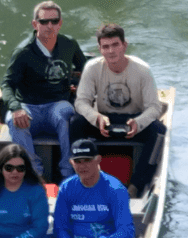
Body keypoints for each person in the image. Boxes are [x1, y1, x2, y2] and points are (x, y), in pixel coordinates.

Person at [70, 23, 166, 197]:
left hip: (133, 121)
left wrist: (139, 122)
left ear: (124, 45)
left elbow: (154, 107)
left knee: (159, 131)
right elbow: (81, 103)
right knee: (76, 122)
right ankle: (81, 180)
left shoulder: (142, 69)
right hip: (104, 121)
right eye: (105, 47)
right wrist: (96, 118)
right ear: (100, 49)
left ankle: (136, 187)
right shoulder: (92, 68)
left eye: (115, 45)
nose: (111, 51)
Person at [1, 0, 87, 180]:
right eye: (44, 22)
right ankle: (35, 173)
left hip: (57, 104)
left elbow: (86, 69)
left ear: (60, 23)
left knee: (69, 116)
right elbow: (7, 84)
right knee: (13, 121)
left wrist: (79, 86)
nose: (49, 26)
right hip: (29, 107)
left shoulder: (69, 44)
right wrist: (16, 108)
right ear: (35, 24)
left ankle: (68, 173)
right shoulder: (23, 52)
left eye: (54, 21)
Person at [42, 139, 138, 238]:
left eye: (87, 160)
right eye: (78, 161)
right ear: (71, 163)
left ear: (98, 160)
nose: (82, 166)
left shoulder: (115, 188)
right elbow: (60, 227)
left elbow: (127, 231)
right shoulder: (67, 188)